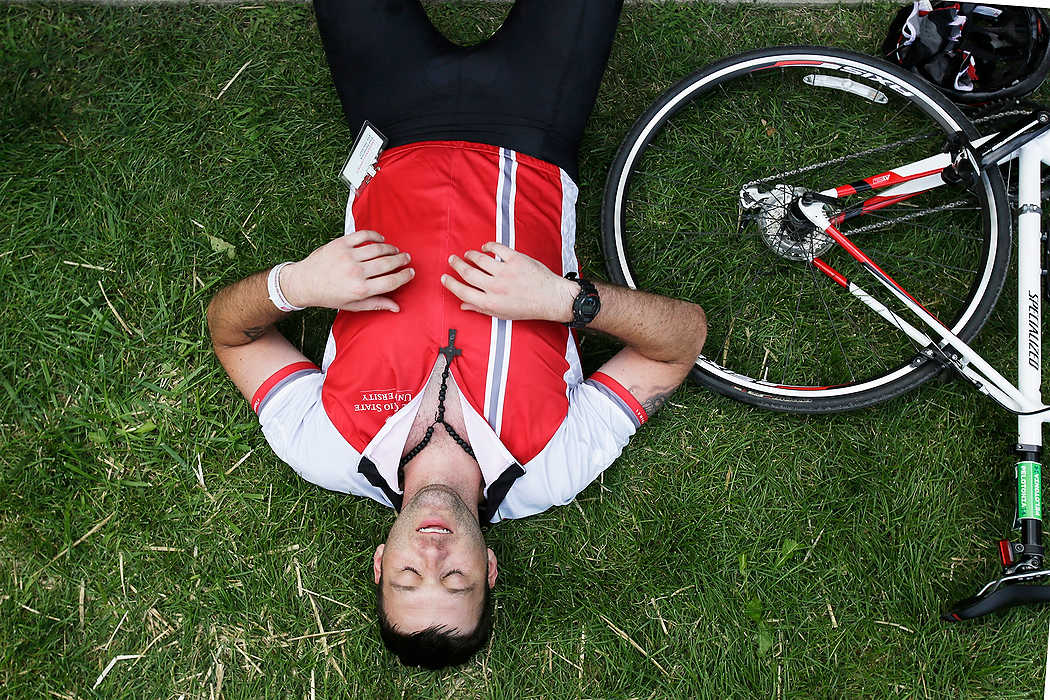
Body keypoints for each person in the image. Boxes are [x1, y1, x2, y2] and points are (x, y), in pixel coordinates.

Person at [206, 0, 707, 671]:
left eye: (409, 578)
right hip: (535, 123)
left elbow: (231, 336)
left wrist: (296, 287)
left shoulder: (321, 445)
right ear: (491, 568)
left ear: (381, 563)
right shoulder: (554, 467)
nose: (433, 558)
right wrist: (565, 301)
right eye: (457, 581)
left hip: (394, 121)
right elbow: (682, 340)